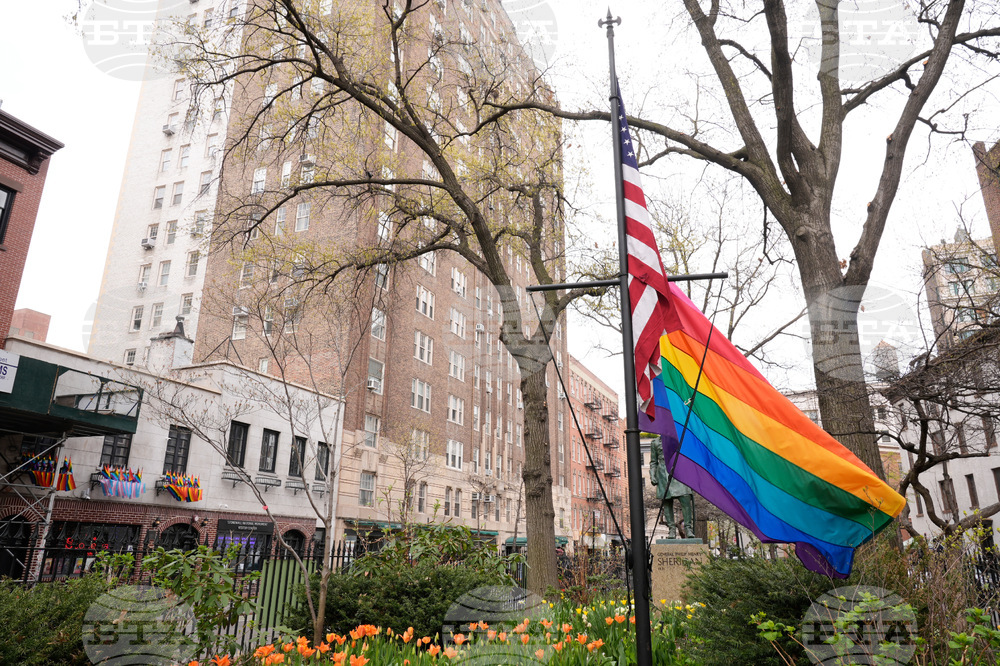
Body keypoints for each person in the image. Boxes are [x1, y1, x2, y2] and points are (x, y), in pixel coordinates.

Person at [649, 435, 695, 538]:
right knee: (667, 503)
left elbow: (689, 457)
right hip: (663, 474)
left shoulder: (680, 438)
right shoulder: (655, 443)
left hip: (679, 472)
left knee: (685, 498)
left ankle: (688, 528)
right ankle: (671, 529)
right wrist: (652, 475)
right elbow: (653, 462)